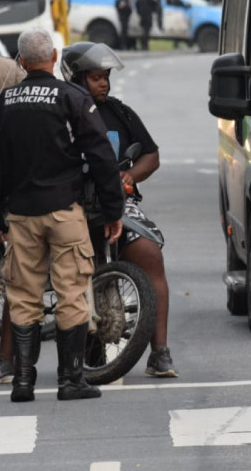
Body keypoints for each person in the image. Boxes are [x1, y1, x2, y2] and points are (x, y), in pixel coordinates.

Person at [0, 28, 124, 403]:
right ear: (55, 57)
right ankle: (70, 380)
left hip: (22, 216)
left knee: (23, 296)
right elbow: (101, 156)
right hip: (64, 211)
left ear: (22, 62)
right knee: (72, 292)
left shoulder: (4, 103)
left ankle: (23, 381)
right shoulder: (72, 97)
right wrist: (112, 210)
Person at [61, 41, 177, 378]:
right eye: (95, 77)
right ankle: (13, 359)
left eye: (106, 76)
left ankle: (160, 352)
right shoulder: (59, 111)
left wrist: (129, 176)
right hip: (70, 206)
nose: (103, 83)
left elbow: (151, 155)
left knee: (150, 254)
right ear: (75, 77)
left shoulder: (120, 112)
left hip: (118, 202)